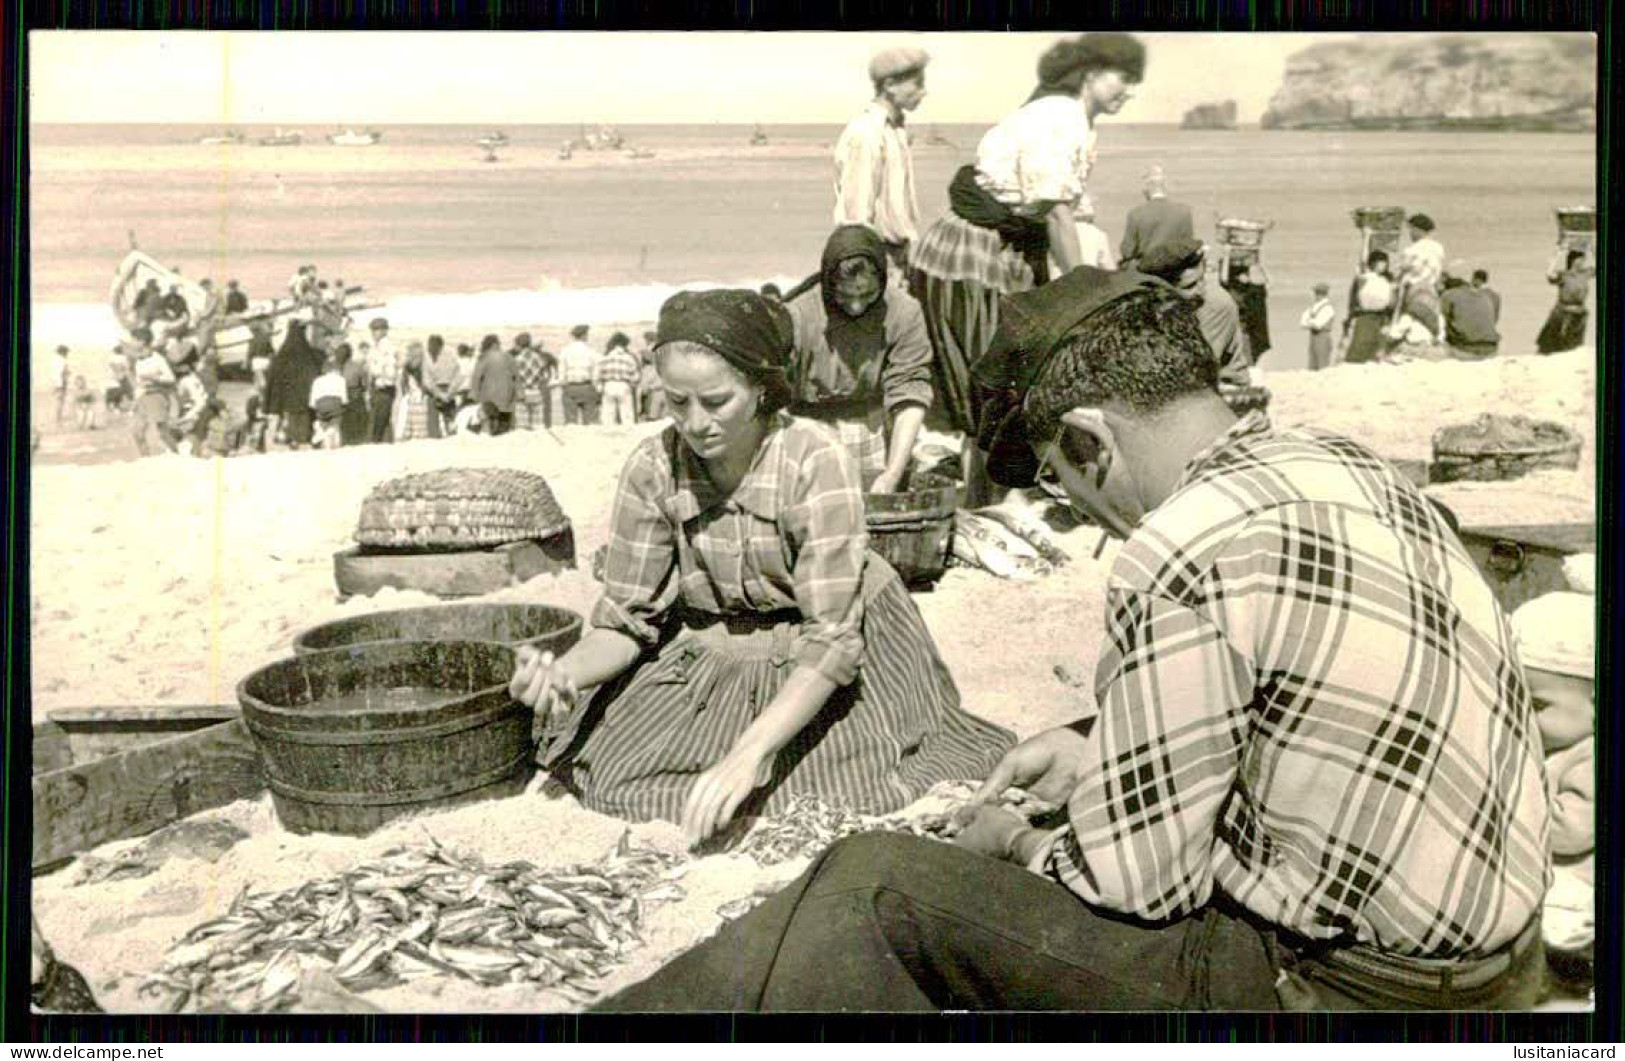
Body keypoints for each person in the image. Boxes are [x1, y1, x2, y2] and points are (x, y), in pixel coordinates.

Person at [599, 270, 1549, 1013]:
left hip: (1334, 988)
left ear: (1092, 440)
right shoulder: (1344, 463)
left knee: (873, 881)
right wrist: (1103, 736)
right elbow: (1303, 689)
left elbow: (1135, 885)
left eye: (1062, 483)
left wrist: (1008, 839)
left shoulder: (1179, 548)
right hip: (1496, 963)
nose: (1088, 521)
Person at [517, 289, 1013, 844]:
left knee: (838, 785)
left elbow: (831, 644)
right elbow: (628, 624)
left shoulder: (812, 461)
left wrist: (751, 750)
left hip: (830, 650)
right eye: (678, 403)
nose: (696, 423)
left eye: (716, 401)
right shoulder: (653, 469)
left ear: (759, 390)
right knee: (622, 776)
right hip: (716, 642)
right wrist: (567, 671)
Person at [910, 32, 1145, 505]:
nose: (1130, 90)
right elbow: (1058, 213)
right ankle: (987, 502)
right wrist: (1085, 293)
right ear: (1089, 72)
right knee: (998, 383)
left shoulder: (1064, 115)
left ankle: (988, 495)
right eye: (1123, 77)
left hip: (979, 252)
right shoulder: (1061, 118)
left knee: (996, 385)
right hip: (977, 260)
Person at [783, 225, 934, 493]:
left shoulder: (905, 313)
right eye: (844, 296)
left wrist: (891, 474)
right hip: (805, 427)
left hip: (870, 427)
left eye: (867, 295)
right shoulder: (796, 316)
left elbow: (910, 393)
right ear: (829, 284)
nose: (855, 306)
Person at [1509, 591, 1594, 967]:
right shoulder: (1558, 744)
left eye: (1538, 705)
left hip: (1576, 885)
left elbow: (1572, 832)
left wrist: (1512, 798)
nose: (1523, 716)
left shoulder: (1591, 758)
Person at [833, 46, 930, 275]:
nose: (924, 92)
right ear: (889, 85)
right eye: (918, 83)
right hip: (876, 259)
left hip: (897, 257)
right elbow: (856, 216)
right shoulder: (867, 133)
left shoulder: (895, 131)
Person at [1136, 238, 1250, 387]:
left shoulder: (1214, 304)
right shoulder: (1156, 302)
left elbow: (1195, 367)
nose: (1201, 290)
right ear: (1162, 289)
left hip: (1219, 390)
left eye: (1202, 279)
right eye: (1190, 286)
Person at [1116, 164, 1194, 271]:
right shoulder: (1184, 212)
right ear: (1165, 187)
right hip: (1174, 271)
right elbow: (1188, 247)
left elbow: (1127, 251)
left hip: (1146, 271)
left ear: (1146, 191)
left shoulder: (1136, 214)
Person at [264, 320, 324, 450]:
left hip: (288, 399)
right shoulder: (310, 355)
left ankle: (292, 440)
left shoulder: (282, 355)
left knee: (291, 422)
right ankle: (303, 440)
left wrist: (271, 401)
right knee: (303, 424)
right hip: (305, 398)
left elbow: (273, 378)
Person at [1439, 260, 1501, 360]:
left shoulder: (1448, 295)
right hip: (1492, 348)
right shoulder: (1490, 295)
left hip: (1464, 349)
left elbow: (1440, 324)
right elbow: (1494, 320)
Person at [1341, 250, 1394, 365]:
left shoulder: (1386, 280)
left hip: (1382, 316)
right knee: (1361, 346)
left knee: (1378, 347)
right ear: (1373, 263)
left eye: (1385, 262)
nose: (1384, 265)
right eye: (1381, 262)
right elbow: (1362, 262)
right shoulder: (1365, 277)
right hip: (1366, 315)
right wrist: (1366, 236)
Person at [1536, 249, 1594, 355]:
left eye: (1582, 260)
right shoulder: (1564, 275)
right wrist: (1557, 255)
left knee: (1574, 342)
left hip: (1579, 311)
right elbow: (1550, 275)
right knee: (1553, 339)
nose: (1581, 262)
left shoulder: (1585, 274)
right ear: (1573, 261)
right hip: (1563, 311)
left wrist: (1591, 250)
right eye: (1579, 260)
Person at [130, 343, 177, 456]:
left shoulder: (158, 359)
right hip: (143, 396)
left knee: (163, 432)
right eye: (138, 350)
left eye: (142, 349)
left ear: (148, 346)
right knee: (137, 431)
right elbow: (139, 383)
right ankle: (146, 459)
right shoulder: (138, 362)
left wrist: (154, 378)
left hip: (157, 394)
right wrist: (135, 401)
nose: (140, 353)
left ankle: (177, 455)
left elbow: (171, 378)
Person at [470, 333, 518, 436]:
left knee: (490, 429)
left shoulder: (483, 357)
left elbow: (476, 378)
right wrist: (519, 395)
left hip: (490, 400)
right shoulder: (509, 357)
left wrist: (473, 395)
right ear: (495, 344)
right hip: (507, 399)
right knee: (505, 428)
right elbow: (516, 378)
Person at [392, 341, 439, 442]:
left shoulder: (409, 367)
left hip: (415, 401)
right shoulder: (424, 365)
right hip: (422, 401)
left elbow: (404, 386)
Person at [596, 332, 642, 426]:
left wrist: (599, 386)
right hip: (624, 385)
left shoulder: (605, 357)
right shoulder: (629, 358)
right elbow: (635, 376)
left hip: (608, 385)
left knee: (608, 414)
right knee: (627, 414)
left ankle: (608, 435)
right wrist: (633, 384)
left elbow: (597, 375)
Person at [365, 318, 399, 443]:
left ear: (384, 331)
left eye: (377, 330)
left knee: (378, 420)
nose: (374, 333)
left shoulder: (385, 347)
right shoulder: (377, 346)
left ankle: (377, 442)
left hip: (384, 386)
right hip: (381, 386)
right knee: (383, 420)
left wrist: (373, 370)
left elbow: (383, 369)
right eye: (373, 330)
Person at [559, 324, 600, 425]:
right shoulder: (591, 352)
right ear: (584, 335)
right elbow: (595, 374)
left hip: (570, 387)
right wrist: (596, 389)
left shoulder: (565, 351)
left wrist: (564, 386)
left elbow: (561, 373)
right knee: (590, 422)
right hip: (587, 386)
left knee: (571, 423)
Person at [512, 333, 554, 431]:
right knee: (537, 425)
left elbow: (514, 378)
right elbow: (545, 376)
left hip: (522, 393)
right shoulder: (538, 358)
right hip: (536, 392)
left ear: (519, 345)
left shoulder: (516, 359)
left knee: (522, 427)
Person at [1397, 213, 1445, 297]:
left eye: (1411, 229)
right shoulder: (1438, 248)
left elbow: (1403, 272)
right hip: (1431, 291)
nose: (1410, 233)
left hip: (1412, 291)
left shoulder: (1412, 250)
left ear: (1417, 229)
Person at [424, 335, 462, 435]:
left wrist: (449, 393)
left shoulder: (450, 355)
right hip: (437, 392)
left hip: (445, 390)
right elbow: (427, 380)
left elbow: (457, 376)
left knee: (448, 422)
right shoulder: (427, 356)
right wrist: (442, 394)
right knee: (435, 423)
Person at [309, 355, 348, 449]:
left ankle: (324, 437)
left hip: (320, 404)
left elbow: (312, 401)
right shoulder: (340, 379)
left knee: (323, 423)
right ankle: (334, 437)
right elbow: (344, 398)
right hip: (334, 403)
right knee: (335, 423)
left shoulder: (317, 380)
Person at [337, 342, 370, 445]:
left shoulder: (335, 367)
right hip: (355, 396)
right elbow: (364, 384)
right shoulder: (357, 366)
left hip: (342, 397)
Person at [1299, 282, 1336, 370]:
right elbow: (1302, 323)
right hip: (1313, 337)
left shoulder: (1328, 308)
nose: (1315, 295)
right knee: (1312, 364)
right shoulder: (1314, 307)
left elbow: (1317, 325)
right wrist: (1311, 323)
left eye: (1317, 293)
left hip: (1323, 336)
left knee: (1322, 365)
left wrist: (1309, 322)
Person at [637, 331, 665, 420]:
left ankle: (644, 412)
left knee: (649, 403)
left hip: (652, 378)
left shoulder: (650, 350)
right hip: (661, 382)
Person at [51, 345, 71, 425]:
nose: (67, 354)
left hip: (55, 382)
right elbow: (63, 372)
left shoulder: (54, 361)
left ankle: (58, 417)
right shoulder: (63, 360)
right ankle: (58, 418)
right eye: (66, 352)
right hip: (61, 382)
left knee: (58, 400)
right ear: (63, 352)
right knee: (60, 400)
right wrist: (68, 374)